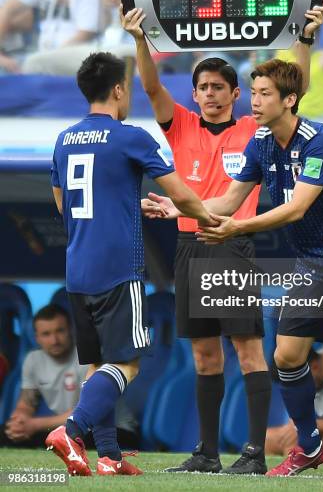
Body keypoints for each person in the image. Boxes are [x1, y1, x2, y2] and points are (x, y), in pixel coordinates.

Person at [146, 57, 323, 479]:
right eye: (254, 93)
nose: (255, 102)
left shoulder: (321, 142)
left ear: (289, 100)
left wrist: (237, 227)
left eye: (264, 94)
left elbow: (295, 209)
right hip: (313, 263)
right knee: (286, 356)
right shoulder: (260, 142)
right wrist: (181, 207)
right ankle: (310, 447)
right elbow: (227, 199)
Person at [122, 2, 323, 474]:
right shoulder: (181, 125)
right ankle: (206, 454)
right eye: (202, 88)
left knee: (247, 348)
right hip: (188, 247)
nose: (210, 95)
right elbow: (150, 85)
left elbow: (295, 88)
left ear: (237, 94)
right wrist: (139, 40)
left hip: (232, 245)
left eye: (218, 88)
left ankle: (254, 453)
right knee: (202, 352)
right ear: (192, 94)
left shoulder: (253, 131)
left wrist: (307, 40)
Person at [46, 50, 213, 477]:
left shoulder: (64, 140)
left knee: (98, 363)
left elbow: (65, 206)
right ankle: (72, 429)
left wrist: (122, 205)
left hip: (77, 268)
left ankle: (109, 456)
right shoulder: (130, 136)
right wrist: (212, 217)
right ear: (119, 89)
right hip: (118, 268)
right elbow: (179, 192)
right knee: (129, 362)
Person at [0, 305, 87, 448]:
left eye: (60, 331)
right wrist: (20, 419)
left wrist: (34, 424)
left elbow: (85, 414)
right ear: (37, 338)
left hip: (99, 429)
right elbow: (27, 402)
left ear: (71, 330)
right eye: (46, 334)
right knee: (7, 432)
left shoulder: (86, 357)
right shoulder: (33, 360)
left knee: (75, 433)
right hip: (62, 428)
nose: (54, 340)